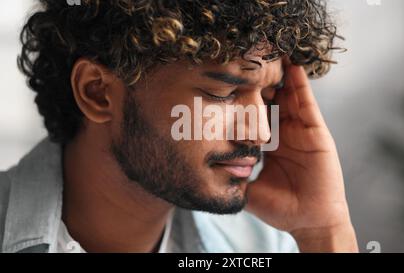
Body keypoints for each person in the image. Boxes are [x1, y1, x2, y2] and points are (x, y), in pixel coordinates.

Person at [0, 0, 357, 253]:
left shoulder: (268, 245)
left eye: (267, 96)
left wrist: (323, 233)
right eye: (223, 93)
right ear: (98, 92)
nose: (261, 132)